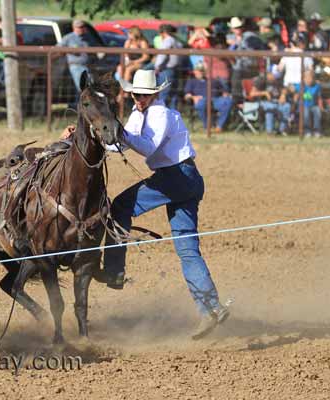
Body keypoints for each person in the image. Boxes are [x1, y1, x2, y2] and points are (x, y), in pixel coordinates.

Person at [79, 69, 231, 339]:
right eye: (137, 94)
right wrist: (100, 135)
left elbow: (147, 147)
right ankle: (211, 308)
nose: (139, 99)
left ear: (155, 94)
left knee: (120, 207)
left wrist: (120, 131)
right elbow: (121, 145)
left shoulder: (162, 115)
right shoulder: (139, 114)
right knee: (187, 249)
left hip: (179, 177)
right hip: (181, 180)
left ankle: (114, 271)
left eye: (145, 95)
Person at [184, 64, 233, 132]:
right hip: (201, 100)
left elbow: (224, 91)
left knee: (228, 101)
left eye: (202, 71)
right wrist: (193, 97)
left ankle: (219, 126)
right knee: (201, 103)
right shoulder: (191, 81)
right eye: (199, 70)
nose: (201, 72)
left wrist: (225, 94)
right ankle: (207, 127)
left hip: (215, 100)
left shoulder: (213, 80)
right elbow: (186, 96)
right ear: (194, 71)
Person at [228, 17, 265, 103]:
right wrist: (234, 44)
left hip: (251, 65)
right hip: (241, 66)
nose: (237, 29)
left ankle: (237, 100)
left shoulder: (249, 36)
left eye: (239, 27)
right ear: (232, 29)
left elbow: (254, 46)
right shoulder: (233, 39)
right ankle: (236, 100)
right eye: (235, 28)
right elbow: (230, 52)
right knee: (234, 72)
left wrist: (239, 42)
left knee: (236, 73)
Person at [58, 20, 91, 106]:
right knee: (81, 86)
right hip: (75, 66)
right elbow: (57, 48)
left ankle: (79, 106)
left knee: (86, 86)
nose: (81, 29)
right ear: (74, 28)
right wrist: (71, 51)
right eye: (79, 27)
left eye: (83, 27)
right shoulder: (68, 38)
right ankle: (79, 106)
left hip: (87, 66)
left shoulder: (87, 38)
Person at [250, 71, 291, 135]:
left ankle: (281, 130)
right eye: (273, 75)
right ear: (268, 74)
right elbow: (252, 94)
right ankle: (269, 131)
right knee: (270, 108)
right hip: (264, 102)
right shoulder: (261, 81)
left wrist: (283, 95)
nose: (275, 77)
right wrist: (264, 93)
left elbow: (284, 89)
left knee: (287, 106)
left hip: (277, 102)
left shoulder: (278, 81)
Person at [154, 24, 182, 109]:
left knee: (164, 95)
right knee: (172, 95)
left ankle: (162, 115)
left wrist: (157, 66)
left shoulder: (168, 40)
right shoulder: (176, 41)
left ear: (163, 32)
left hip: (166, 70)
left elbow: (163, 54)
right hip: (174, 70)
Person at [293, 70, 323, 137]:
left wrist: (321, 106)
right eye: (307, 78)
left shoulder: (317, 86)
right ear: (304, 78)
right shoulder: (300, 86)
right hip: (303, 106)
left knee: (318, 112)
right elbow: (294, 95)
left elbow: (319, 97)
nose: (309, 80)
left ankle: (316, 131)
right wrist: (296, 99)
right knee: (305, 113)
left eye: (311, 78)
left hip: (314, 105)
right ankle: (307, 131)